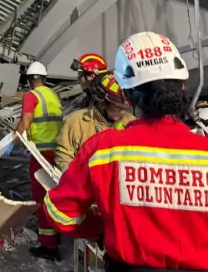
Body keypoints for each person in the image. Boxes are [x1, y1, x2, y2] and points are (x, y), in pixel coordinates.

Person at [43, 32, 207, 271]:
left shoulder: (103, 150)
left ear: (128, 97)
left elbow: (59, 214)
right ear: (182, 86)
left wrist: (103, 227)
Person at [5, 61, 63, 260]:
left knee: (41, 199)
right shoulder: (53, 95)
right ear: (44, 78)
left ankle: (49, 246)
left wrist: (13, 142)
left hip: (41, 154)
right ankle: (58, 234)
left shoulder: (32, 96)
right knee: (55, 195)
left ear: (29, 81)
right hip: (59, 151)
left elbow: (25, 122)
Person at [55, 72, 136, 171]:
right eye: (119, 108)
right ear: (102, 103)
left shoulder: (131, 122)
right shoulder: (77, 121)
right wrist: (73, 179)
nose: (123, 113)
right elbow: (63, 156)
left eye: (125, 108)